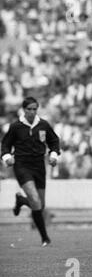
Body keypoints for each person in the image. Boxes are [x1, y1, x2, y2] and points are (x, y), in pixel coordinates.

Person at [1, 97, 60, 247]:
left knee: (40, 204)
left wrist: (53, 155)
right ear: (24, 109)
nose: (32, 112)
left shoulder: (43, 124)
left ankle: (21, 200)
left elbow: (54, 141)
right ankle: (45, 238)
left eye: (35, 109)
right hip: (22, 165)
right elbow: (5, 145)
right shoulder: (16, 127)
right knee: (34, 199)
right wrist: (7, 157)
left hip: (39, 165)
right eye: (29, 109)